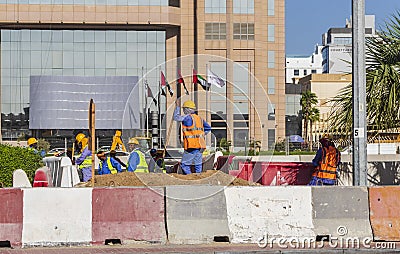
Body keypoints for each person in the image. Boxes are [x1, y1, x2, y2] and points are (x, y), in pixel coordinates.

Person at [174, 99, 211, 174]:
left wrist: (177, 107)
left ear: (187, 109)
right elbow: (208, 128)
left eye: (184, 109)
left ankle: (190, 177)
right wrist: (202, 134)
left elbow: (176, 117)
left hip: (192, 145)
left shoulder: (187, 118)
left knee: (184, 164)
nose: (183, 111)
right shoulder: (199, 118)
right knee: (198, 164)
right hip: (200, 145)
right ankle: (198, 177)